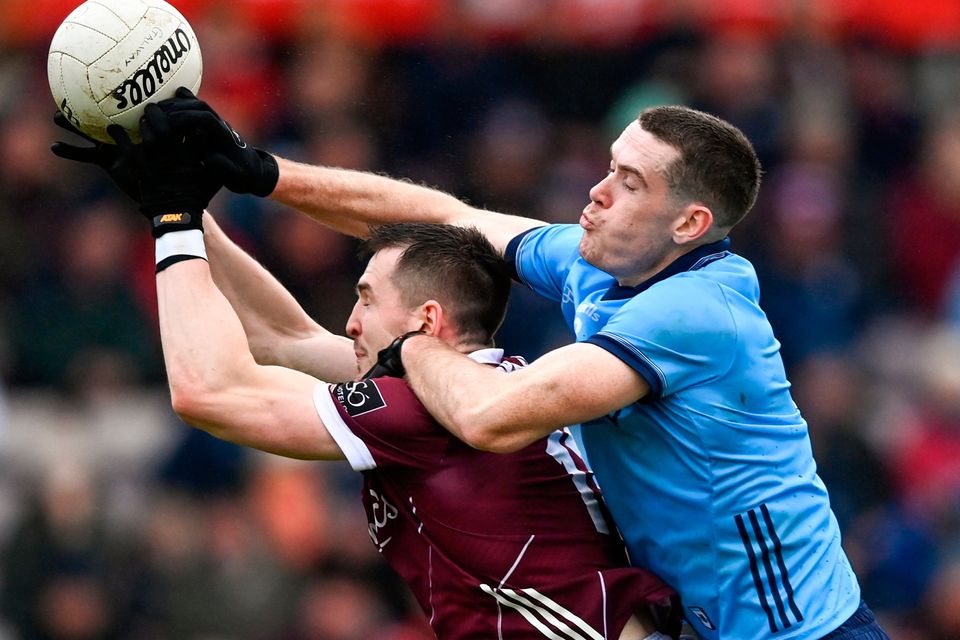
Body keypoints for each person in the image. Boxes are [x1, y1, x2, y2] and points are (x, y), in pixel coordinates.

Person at [141, 89, 890, 639]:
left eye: (630, 184)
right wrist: (253, 171)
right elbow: (441, 223)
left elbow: (488, 415)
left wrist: (412, 348)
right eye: (609, 167)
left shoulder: (695, 313)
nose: (595, 194)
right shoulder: (600, 267)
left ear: (689, 224)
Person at [51, 110, 679, 640]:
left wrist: (171, 224)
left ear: (427, 320)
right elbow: (283, 338)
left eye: (367, 299)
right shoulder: (476, 383)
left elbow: (209, 392)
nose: (350, 322)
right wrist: (179, 200)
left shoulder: (424, 413)